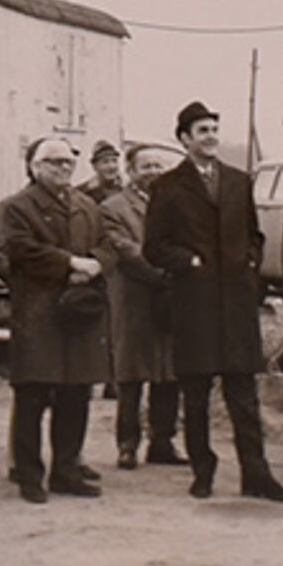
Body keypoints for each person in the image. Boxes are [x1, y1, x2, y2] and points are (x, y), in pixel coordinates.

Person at [143, 100, 283, 503]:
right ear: (185, 139)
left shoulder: (238, 180)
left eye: (213, 129)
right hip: (194, 306)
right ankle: (202, 471)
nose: (210, 137)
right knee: (195, 396)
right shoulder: (167, 187)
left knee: (243, 396)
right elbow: (154, 248)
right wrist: (188, 261)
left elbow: (254, 234)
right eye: (202, 131)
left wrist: (250, 261)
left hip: (237, 306)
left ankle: (257, 475)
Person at [0, 137, 108, 503]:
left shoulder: (87, 206)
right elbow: (21, 250)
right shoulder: (16, 208)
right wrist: (70, 264)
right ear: (34, 167)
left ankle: (66, 471)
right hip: (39, 312)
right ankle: (29, 475)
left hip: (80, 313)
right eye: (54, 162)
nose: (63, 168)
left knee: (76, 395)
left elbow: (107, 243)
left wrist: (97, 264)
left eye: (68, 162)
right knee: (33, 396)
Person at [98, 145, 185, 470]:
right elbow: (123, 249)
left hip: (171, 298)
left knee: (168, 371)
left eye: (158, 166)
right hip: (134, 298)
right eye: (145, 166)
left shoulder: (177, 205)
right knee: (131, 374)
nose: (153, 172)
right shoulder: (113, 207)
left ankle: (162, 442)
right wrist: (165, 269)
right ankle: (127, 444)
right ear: (131, 171)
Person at [78, 140, 124, 205]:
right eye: (105, 162)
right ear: (94, 166)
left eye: (114, 160)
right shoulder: (82, 192)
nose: (111, 166)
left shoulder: (125, 190)